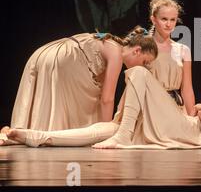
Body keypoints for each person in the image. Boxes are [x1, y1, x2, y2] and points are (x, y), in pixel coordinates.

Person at [3, 66, 201, 149]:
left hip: (186, 130)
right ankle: (31, 136)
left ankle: (123, 134)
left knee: (138, 72)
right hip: (183, 125)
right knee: (103, 129)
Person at [1, 25, 157, 140]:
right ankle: (42, 137)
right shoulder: (117, 53)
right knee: (92, 103)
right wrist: (104, 132)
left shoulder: (110, 43)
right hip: (63, 59)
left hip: (43, 53)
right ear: (136, 50)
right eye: (144, 62)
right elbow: (107, 99)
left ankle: (16, 134)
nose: (142, 67)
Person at [147, 0, 197, 116]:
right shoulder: (144, 47)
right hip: (150, 107)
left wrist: (192, 117)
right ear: (153, 19)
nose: (168, 24)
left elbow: (187, 89)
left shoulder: (183, 50)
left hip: (175, 109)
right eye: (164, 19)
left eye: (172, 20)